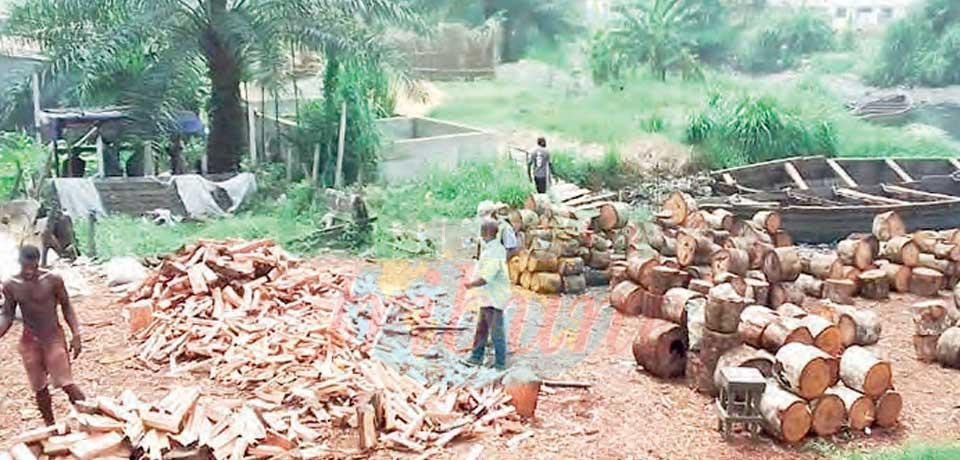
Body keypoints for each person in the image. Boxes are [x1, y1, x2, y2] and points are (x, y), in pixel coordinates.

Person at [0, 245, 87, 426]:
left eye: (32, 266)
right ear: (19, 262)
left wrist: (76, 333)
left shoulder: (52, 280)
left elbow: (66, 306)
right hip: (30, 341)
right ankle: (51, 428)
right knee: (39, 388)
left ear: (38, 262)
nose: (29, 271)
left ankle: (93, 418)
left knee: (66, 383)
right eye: (25, 267)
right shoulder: (11, 285)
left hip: (53, 337)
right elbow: (7, 315)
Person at [462, 219, 510, 370]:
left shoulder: (494, 252)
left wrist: (470, 285)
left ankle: (500, 363)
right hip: (488, 296)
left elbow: (486, 277)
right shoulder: (492, 248)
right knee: (482, 328)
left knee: (496, 332)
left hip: (495, 297)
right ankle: (476, 357)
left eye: (482, 231)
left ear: (486, 233)